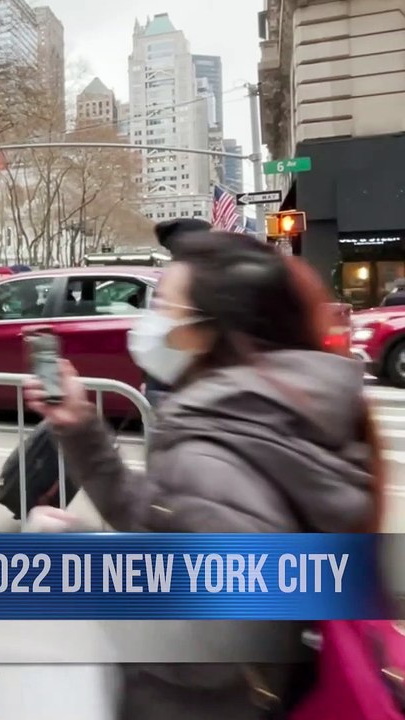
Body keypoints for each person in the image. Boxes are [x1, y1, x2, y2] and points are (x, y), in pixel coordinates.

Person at [25, 231, 384, 720]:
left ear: (208, 330)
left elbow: (215, 643)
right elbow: (163, 526)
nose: (148, 322)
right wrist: (82, 430)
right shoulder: (260, 417)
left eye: (164, 305)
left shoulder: (216, 459)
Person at [141, 217, 213, 406]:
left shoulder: (177, 280)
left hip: (179, 385)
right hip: (177, 387)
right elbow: (158, 334)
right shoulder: (181, 281)